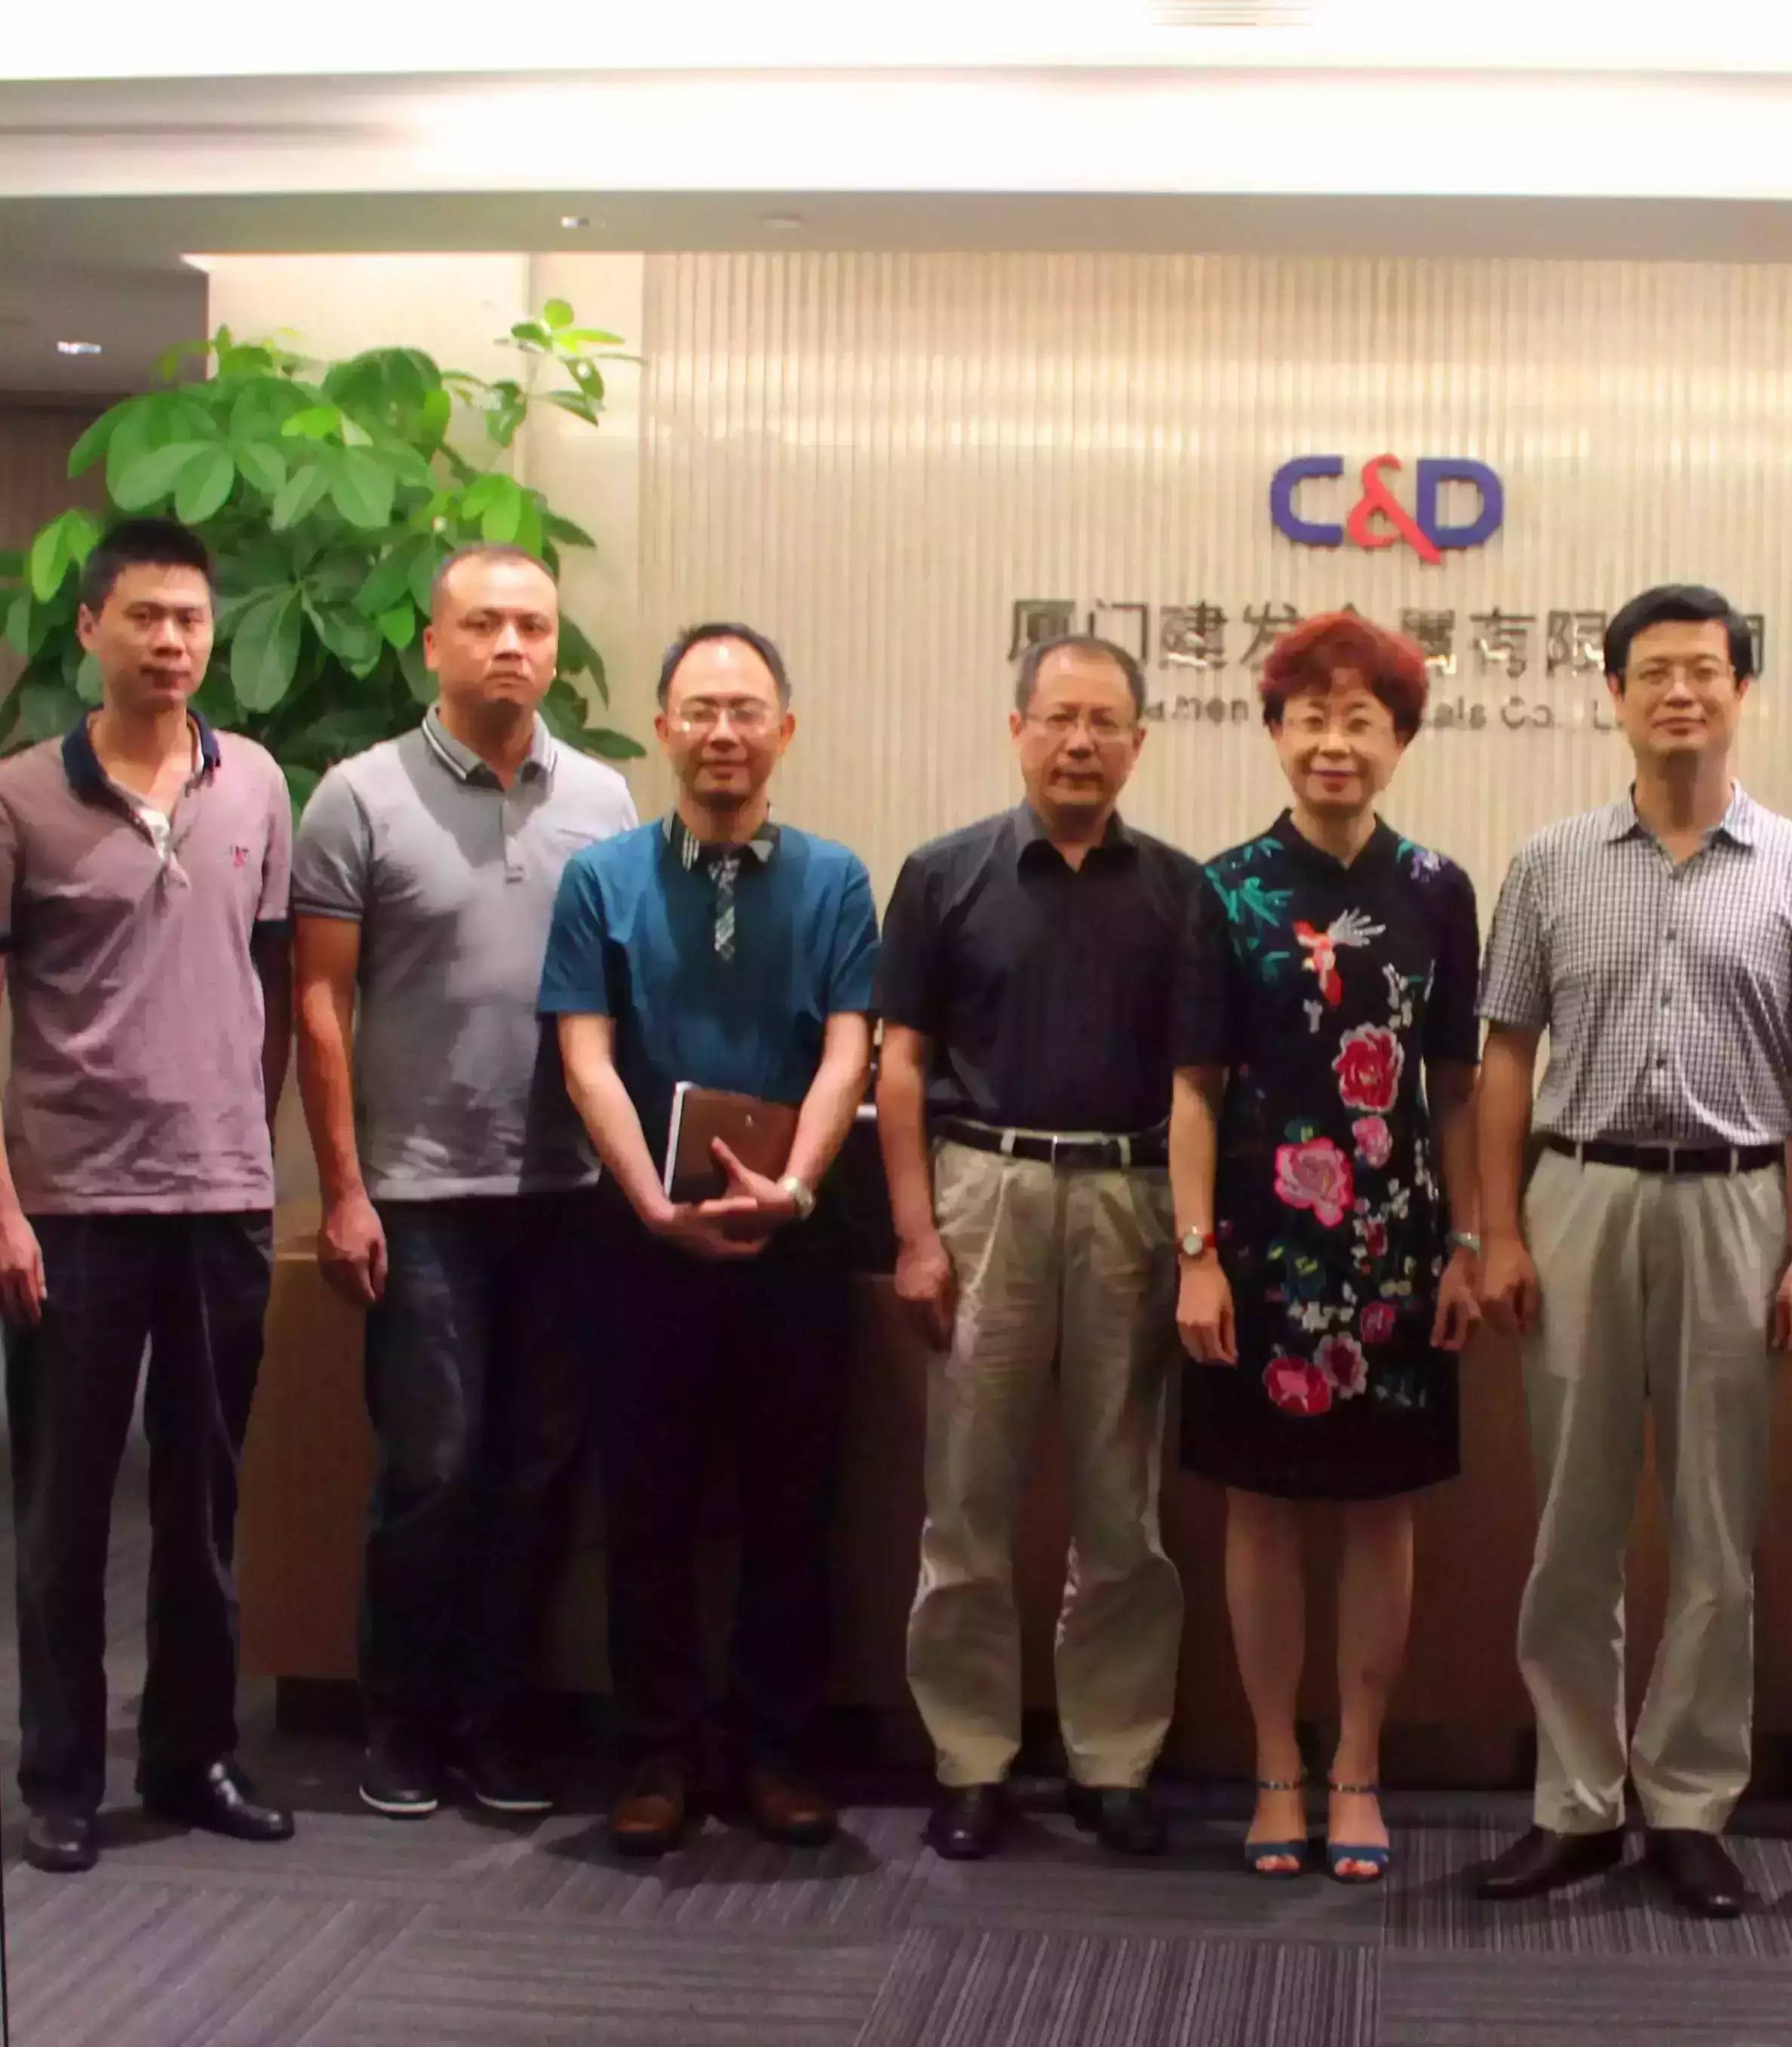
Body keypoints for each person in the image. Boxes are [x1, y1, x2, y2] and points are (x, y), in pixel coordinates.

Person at [1467, 584, 1792, 1921]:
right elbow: (1506, 1057)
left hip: (1737, 1203)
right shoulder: (1549, 864)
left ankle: (1692, 1804)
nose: (1680, 693)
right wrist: (1501, 1228)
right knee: (1571, 1526)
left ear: (1741, 689)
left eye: (1705, 669)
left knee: (1716, 1525)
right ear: (1615, 693)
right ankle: (1575, 1801)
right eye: (1653, 672)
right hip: (1580, 1195)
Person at [292, 543, 638, 1821]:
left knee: (539, 1466)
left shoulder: (603, 797)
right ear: (431, 645)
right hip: (421, 1191)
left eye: (533, 626)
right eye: (484, 623)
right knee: (433, 1465)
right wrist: (342, 1188)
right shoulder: (358, 795)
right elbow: (319, 1004)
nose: (511, 645)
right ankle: (400, 1721)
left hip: (567, 1192)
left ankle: (496, 1723)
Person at [541, 621, 879, 1857]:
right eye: (700, 709)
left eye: (746, 710)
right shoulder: (602, 878)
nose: (723, 731)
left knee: (794, 1503)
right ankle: (661, 1753)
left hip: (795, 1241)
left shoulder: (836, 879)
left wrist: (794, 1188)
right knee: (647, 1505)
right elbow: (585, 1055)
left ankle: (775, 1749)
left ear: (783, 730)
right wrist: (649, 1201)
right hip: (641, 1240)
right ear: (664, 728)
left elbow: (850, 1049)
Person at [0, 516, 296, 1874]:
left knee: (205, 1499)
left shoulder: (258, 783)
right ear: (89, 629)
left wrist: (249, 1136)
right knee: (65, 1509)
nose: (172, 641)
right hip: (70, 1203)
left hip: (222, 1199)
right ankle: (61, 1777)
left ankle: (193, 1755)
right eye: (144, 617)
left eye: (190, 619)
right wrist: (6, 1206)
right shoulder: (21, 797)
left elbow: (274, 978)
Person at [1171, 612, 1483, 1884]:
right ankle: (1273, 1765)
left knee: (1376, 1510)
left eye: (1362, 720)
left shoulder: (1439, 890)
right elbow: (1194, 1088)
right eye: (1311, 718)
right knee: (1258, 1508)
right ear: (1275, 731)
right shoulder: (1224, 888)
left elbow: (1456, 1087)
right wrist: (1196, 1253)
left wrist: (1467, 1239)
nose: (1334, 743)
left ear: (1401, 739)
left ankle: (1356, 1764)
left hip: (1398, 1245)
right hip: (1260, 1249)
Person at [879, 634, 1198, 1864]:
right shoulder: (943, 875)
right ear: (1018, 728)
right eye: (1059, 717)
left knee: (1123, 1504)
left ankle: (1113, 1759)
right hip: (985, 1193)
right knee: (967, 1498)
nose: (1080, 742)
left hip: (1129, 1197)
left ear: (1138, 744)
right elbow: (900, 1065)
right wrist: (916, 1233)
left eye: (1104, 722)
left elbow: (1200, 1084)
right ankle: (971, 1757)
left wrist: (1193, 1236)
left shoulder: (1180, 892)